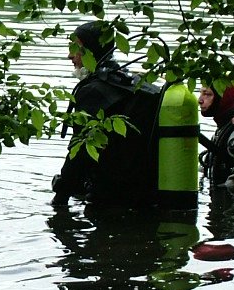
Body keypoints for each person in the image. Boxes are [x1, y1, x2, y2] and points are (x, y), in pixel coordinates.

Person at [51, 20, 165, 208]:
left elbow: (80, 152)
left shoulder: (93, 92)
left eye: (75, 48)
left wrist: (61, 196)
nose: (70, 56)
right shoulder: (135, 83)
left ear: (90, 50)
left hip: (111, 199)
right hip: (150, 193)